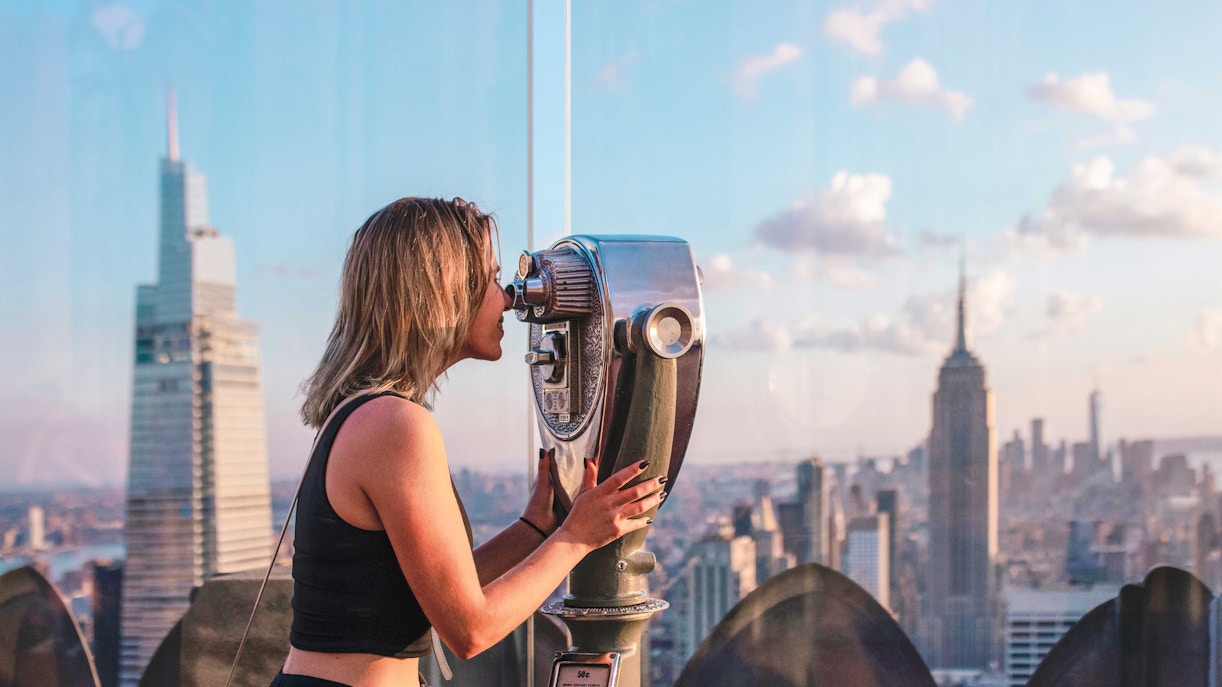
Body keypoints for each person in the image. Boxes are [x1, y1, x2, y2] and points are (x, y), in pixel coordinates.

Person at [273, 197, 665, 687]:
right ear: (441, 293)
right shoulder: (395, 425)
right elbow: (470, 629)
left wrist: (536, 529)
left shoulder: (364, 413)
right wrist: (577, 537)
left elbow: (431, 591)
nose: (507, 299)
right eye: (490, 280)